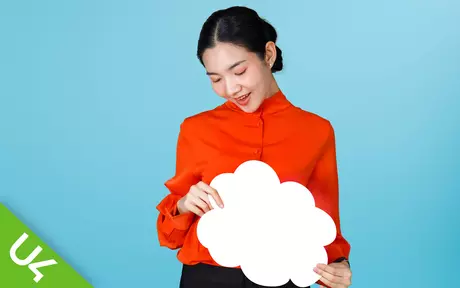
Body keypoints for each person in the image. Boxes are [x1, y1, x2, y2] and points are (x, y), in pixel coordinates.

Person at [156, 6, 352, 288]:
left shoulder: (317, 131)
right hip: (207, 277)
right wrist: (186, 204)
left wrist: (339, 267)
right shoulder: (195, 129)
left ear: (268, 55)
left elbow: (324, 226)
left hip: (283, 279)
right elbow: (170, 235)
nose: (231, 88)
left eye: (239, 71)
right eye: (216, 79)